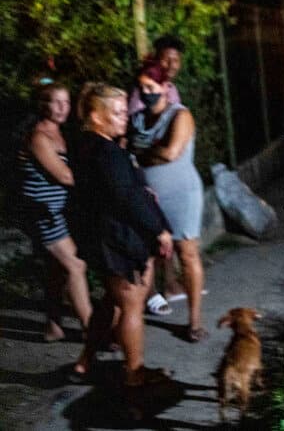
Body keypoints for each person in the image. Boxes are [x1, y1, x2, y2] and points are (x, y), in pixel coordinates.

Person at [70, 82, 174, 386]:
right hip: (118, 239)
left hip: (99, 236)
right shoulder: (108, 153)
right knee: (131, 305)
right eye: (116, 113)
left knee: (111, 301)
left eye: (123, 111)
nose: (124, 117)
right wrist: (159, 230)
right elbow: (128, 197)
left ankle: (85, 361)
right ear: (96, 116)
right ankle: (134, 378)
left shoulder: (85, 145)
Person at [128, 60, 208, 343]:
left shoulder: (180, 115)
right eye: (141, 88)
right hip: (149, 198)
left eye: (151, 87)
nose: (146, 92)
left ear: (165, 87)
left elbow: (171, 153)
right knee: (145, 256)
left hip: (181, 194)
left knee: (186, 253)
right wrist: (145, 152)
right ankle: (132, 317)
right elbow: (129, 151)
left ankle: (194, 322)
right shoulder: (138, 119)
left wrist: (142, 154)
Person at [14, 80, 92, 342]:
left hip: (58, 211)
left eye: (66, 102)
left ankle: (53, 326)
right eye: (56, 102)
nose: (62, 108)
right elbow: (65, 176)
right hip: (43, 212)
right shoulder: (39, 137)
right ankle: (92, 331)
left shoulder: (61, 132)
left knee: (58, 270)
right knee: (76, 265)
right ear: (42, 104)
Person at [128, 35, 186, 312]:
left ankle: (171, 286)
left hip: (168, 176)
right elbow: (135, 137)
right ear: (156, 57)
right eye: (167, 58)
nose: (172, 64)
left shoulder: (172, 90)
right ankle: (150, 295)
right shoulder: (143, 90)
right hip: (145, 175)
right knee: (151, 236)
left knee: (167, 235)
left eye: (176, 59)